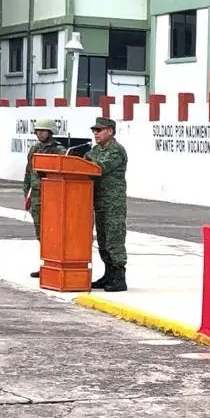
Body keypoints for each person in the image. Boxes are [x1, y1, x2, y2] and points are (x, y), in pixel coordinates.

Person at [85, 117, 129, 292]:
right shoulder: (95, 150)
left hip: (113, 203)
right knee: (102, 240)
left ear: (110, 131)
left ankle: (119, 278)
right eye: (94, 130)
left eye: (99, 130)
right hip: (98, 202)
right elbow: (85, 163)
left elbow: (99, 168)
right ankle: (108, 275)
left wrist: (84, 163)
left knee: (114, 239)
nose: (95, 133)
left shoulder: (116, 151)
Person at [24, 118, 67, 277]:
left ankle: (54, 264)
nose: (39, 133)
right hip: (36, 197)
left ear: (50, 132)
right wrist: (26, 194)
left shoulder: (59, 150)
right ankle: (45, 264)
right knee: (40, 233)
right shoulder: (34, 149)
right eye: (37, 131)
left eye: (42, 130)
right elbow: (28, 173)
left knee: (53, 232)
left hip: (52, 198)